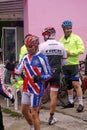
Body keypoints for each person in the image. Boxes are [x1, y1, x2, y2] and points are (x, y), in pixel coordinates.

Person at [15, 35, 52, 130]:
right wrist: (11, 67)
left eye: (30, 47)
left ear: (36, 46)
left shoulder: (42, 57)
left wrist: (39, 78)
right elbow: (18, 71)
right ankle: (32, 126)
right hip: (26, 87)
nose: (28, 49)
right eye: (26, 46)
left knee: (34, 113)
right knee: (23, 111)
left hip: (36, 89)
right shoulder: (25, 57)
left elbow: (49, 74)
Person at [39, 27, 67, 125]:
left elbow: (38, 61)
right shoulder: (61, 45)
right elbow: (64, 62)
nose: (44, 36)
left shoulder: (42, 46)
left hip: (44, 74)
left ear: (48, 34)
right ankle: (51, 118)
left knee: (40, 95)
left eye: (45, 34)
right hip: (55, 74)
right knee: (53, 96)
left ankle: (36, 116)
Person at [59, 20, 85, 112]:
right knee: (68, 85)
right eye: (67, 29)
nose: (69, 30)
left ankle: (81, 104)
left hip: (73, 64)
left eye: (70, 28)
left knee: (76, 84)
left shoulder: (76, 38)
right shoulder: (61, 40)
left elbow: (82, 50)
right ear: (63, 29)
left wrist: (71, 53)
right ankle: (71, 102)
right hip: (65, 65)